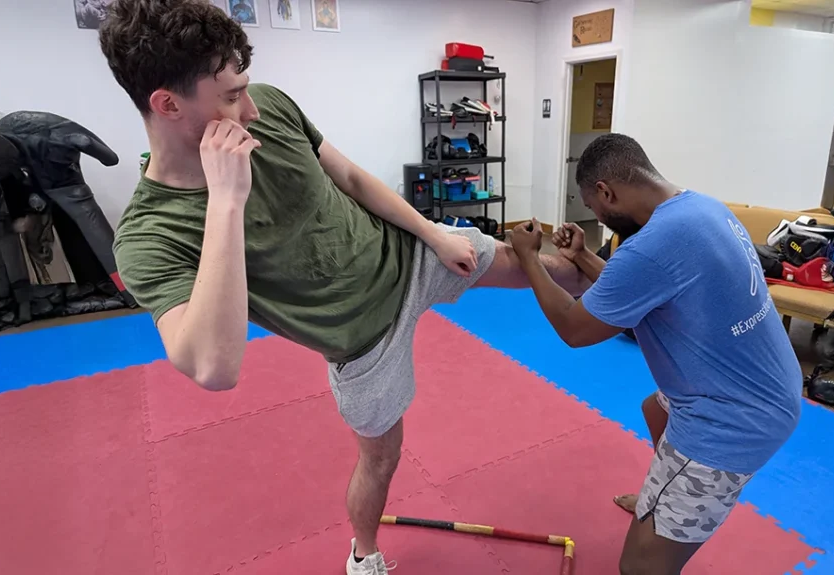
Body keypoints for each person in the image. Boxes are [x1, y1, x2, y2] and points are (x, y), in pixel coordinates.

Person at [97, 2, 589, 574]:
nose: (252, 109)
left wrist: (434, 233)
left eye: (246, 88)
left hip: (411, 254)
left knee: (550, 269)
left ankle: (643, 300)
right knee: (382, 461)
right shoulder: (149, 234)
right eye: (231, 96)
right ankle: (364, 553)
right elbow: (214, 367)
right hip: (360, 344)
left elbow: (351, 178)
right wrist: (225, 202)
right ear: (167, 104)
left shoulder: (271, 109)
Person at [509, 133, 801, 575]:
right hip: (768, 380)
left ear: (606, 191)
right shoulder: (701, 209)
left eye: (595, 208)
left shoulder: (649, 247)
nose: (599, 218)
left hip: (734, 418)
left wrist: (529, 257)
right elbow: (639, 292)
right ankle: (663, 497)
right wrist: (584, 256)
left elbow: (574, 328)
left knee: (639, 566)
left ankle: (674, 499)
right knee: (655, 409)